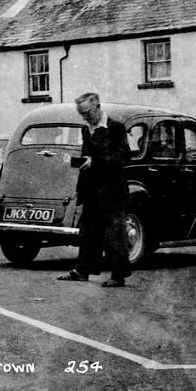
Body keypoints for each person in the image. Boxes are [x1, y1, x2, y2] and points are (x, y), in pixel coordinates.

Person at [57, 92, 130, 287]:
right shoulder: (86, 129)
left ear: (97, 106)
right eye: (81, 114)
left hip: (113, 191)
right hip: (92, 191)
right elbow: (87, 158)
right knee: (87, 232)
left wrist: (95, 163)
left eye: (87, 113)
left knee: (115, 234)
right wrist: (76, 164)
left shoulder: (115, 127)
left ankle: (118, 275)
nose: (85, 117)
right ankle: (82, 270)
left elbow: (123, 157)